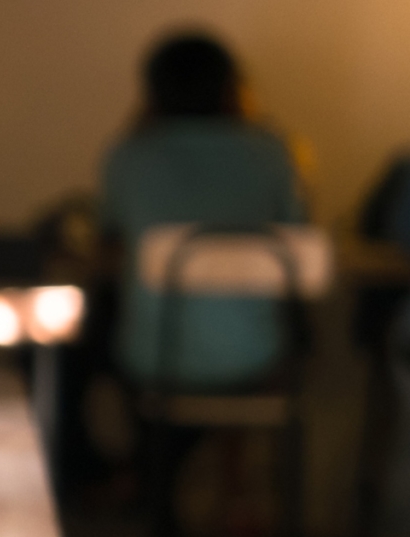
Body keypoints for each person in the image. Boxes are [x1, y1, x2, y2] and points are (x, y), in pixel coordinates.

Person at [100, 31, 306, 393]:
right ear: (232, 88)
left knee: (86, 338)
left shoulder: (129, 155)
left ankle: (146, 447)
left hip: (154, 358)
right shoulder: (269, 152)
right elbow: (297, 237)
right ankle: (228, 446)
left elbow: (109, 234)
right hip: (256, 354)